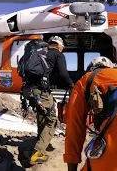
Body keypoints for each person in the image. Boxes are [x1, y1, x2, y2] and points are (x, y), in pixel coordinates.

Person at [23, 35, 73, 165]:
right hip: (41, 91)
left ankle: (39, 142)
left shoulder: (38, 52)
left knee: (42, 114)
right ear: (59, 46)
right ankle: (38, 152)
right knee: (52, 120)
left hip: (28, 90)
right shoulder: (57, 54)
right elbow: (63, 74)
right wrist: (71, 85)